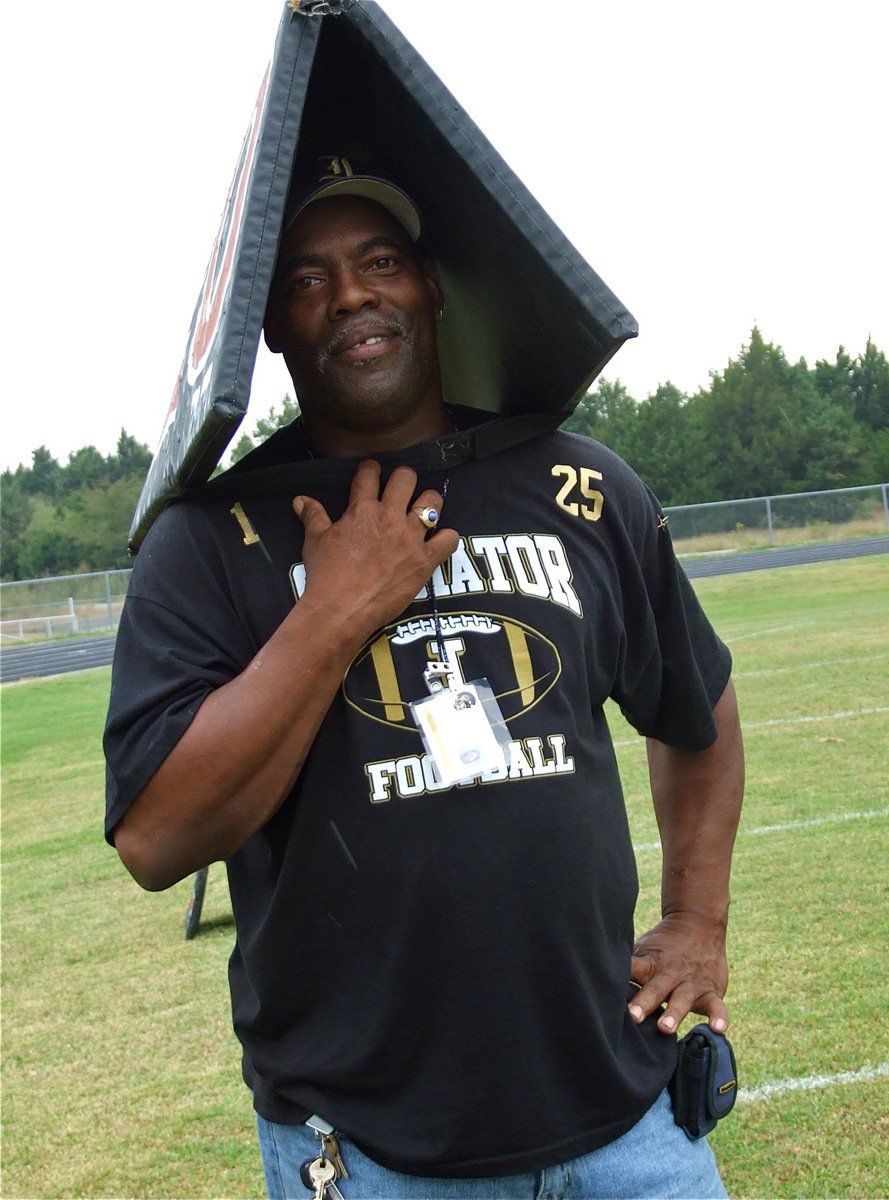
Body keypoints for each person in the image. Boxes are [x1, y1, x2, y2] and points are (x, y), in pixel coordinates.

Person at [104, 156, 744, 1200]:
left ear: (433, 287)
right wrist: (338, 610)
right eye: (308, 280)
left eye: (380, 262)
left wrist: (696, 921)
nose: (351, 294)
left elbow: (697, 709)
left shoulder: (579, 487)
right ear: (268, 327)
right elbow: (157, 837)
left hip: (629, 1125)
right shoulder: (212, 538)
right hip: (370, 1152)